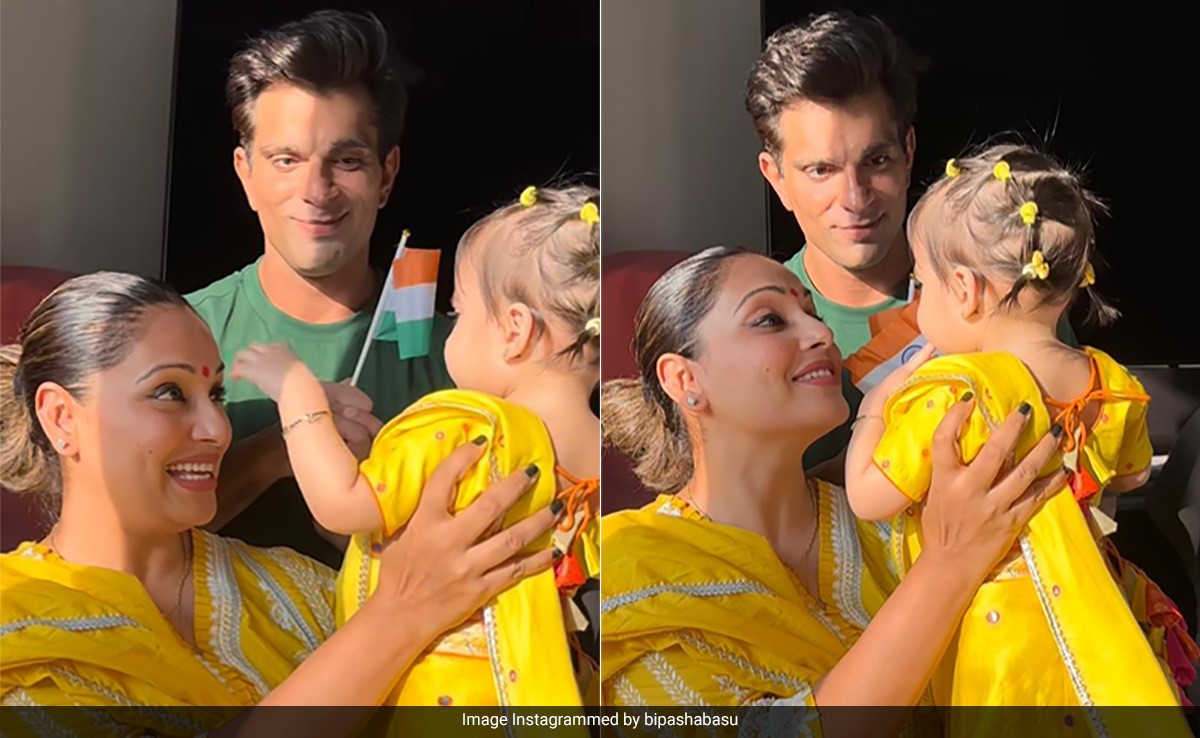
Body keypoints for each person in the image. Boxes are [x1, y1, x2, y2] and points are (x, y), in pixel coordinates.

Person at [0, 273, 559, 738]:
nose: (217, 429)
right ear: (62, 418)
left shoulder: (297, 587)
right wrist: (399, 615)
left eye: (216, 395)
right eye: (169, 393)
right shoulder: (18, 622)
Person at [599, 246, 1071, 735]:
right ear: (684, 379)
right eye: (769, 320)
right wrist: (949, 564)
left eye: (814, 314)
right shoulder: (634, 568)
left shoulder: (906, 514)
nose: (822, 334)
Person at [842, 145, 1193, 733]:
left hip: (998, 637)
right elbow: (1132, 475)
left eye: (920, 284)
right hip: (1095, 615)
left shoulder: (953, 390)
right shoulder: (1111, 382)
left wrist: (873, 410)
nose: (916, 301)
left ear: (964, 290)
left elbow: (868, 497)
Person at [230, 185, 601, 709]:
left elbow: (340, 505)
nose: (450, 328)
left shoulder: (463, 422)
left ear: (515, 331)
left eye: (459, 311)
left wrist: (297, 392)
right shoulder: (607, 451)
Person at [744, 11, 1076, 471]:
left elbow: (1090, 473)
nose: (854, 198)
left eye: (876, 160)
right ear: (776, 178)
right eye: (821, 170)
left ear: (908, 154)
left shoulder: (1006, 291)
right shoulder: (747, 339)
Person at [186, 10, 451, 566]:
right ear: (245, 174)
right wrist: (277, 451)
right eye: (286, 160)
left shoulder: (457, 355)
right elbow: (127, 539)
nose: (316, 189)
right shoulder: (182, 335)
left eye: (346, 160)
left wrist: (364, 497)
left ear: (387, 175)